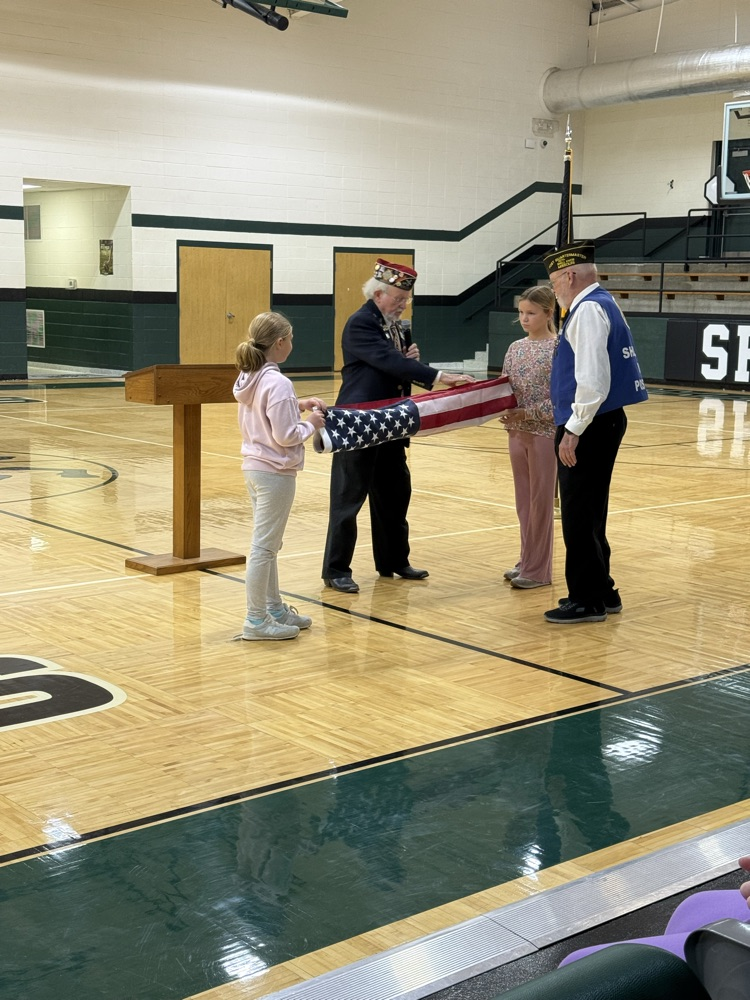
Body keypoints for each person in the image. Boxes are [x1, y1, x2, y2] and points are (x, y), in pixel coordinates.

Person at [321, 258, 473, 593]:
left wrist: (410, 362)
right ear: (377, 294)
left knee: (394, 493)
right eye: (397, 299)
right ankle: (336, 570)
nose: (403, 306)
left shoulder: (395, 326)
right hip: (359, 422)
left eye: (406, 300)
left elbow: (397, 366)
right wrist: (439, 376)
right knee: (348, 499)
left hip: (391, 421)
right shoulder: (361, 323)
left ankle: (393, 560)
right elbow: (387, 361)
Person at [542, 241, 648, 624]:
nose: (554, 291)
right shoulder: (606, 301)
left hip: (588, 423)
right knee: (591, 512)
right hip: (605, 420)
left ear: (569, 276)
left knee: (577, 513)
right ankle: (603, 590)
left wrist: (573, 430)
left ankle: (586, 599)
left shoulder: (586, 310)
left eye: (555, 283)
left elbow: (593, 379)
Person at [234, 311, 327, 640]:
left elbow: (268, 410)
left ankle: (273, 608)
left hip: (255, 468)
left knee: (268, 545)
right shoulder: (278, 382)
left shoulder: (250, 376)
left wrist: (298, 404)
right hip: (274, 472)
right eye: (291, 337)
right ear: (280, 342)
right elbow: (288, 435)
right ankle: (256, 620)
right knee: (263, 548)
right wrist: (312, 423)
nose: (293, 343)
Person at [500, 285, 557, 590]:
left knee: (541, 501)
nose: (524, 318)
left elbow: (563, 398)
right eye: (521, 312)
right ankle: (527, 558)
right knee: (524, 501)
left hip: (545, 431)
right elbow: (504, 388)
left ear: (548, 313)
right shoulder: (515, 348)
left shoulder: (560, 348)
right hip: (516, 431)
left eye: (531, 313)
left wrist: (529, 414)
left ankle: (539, 569)